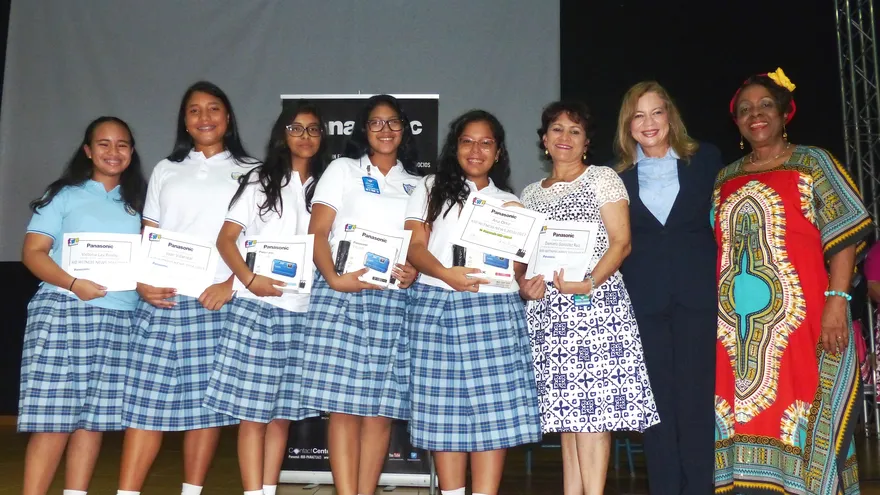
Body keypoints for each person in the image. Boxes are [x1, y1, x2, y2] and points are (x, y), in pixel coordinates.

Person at [713, 68, 872, 494]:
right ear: (738, 125)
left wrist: (837, 300)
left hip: (801, 325)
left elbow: (845, 232)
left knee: (805, 419)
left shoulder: (813, 162)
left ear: (785, 113)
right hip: (737, 338)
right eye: (745, 110)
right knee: (742, 419)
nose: (755, 114)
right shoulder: (724, 178)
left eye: (766, 105)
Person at [118, 81, 259, 495]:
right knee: (145, 404)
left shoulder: (253, 169)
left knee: (205, 408)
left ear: (228, 117)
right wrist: (141, 280)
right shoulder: (166, 169)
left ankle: (191, 490)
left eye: (213, 109)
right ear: (185, 119)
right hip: (163, 299)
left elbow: (260, 237)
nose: (204, 117)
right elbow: (151, 230)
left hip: (216, 300)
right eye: (194, 110)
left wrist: (231, 283)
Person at [520, 101, 659, 495]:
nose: (565, 138)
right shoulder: (530, 194)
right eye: (557, 130)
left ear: (586, 142)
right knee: (567, 416)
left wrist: (588, 282)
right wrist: (525, 283)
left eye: (575, 131)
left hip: (595, 308)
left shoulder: (602, 179)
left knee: (593, 417)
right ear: (544, 140)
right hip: (548, 315)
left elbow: (621, 243)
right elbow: (525, 260)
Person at [404, 110, 541, 495]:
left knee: (492, 416)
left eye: (486, 142)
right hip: (437, 303)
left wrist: (525, 270)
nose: (476, 150)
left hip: (494, 311)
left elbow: (517, 268)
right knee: (442, 413)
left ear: (498, 152)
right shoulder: (430, 187)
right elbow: (415, 246)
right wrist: (446, 273)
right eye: (467, 141)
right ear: (455, 146)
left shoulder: (511, 203)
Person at [204, 100, 329, 495]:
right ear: (282, 135)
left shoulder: (329, 186)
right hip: (258, 308)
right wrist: (247, 278)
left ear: (322, 137)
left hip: (305, 311)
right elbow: (226, 239)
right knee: (252, 416)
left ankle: (269, 489)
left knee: (281, 417)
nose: (304, 136)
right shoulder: (261, 180)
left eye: (312, 129)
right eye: (296, 129)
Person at [19, 117, 146, 495]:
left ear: (132, 152)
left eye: (122, 144)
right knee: (53, 421)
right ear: (88, 151)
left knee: (94, 422)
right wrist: (74, 283)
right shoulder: (64, 195)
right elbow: (33, 253)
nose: (113, 151)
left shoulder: (140, 204)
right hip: (63, 311)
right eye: (103, 144)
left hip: (120, 318)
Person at [303, 94, 420, 495]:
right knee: (342, 408)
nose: (385, 130)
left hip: (392, 300)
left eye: (393, 122)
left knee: (380, 412)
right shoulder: (343, 169)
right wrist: (334, 279)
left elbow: (420, 245)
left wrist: (413, 270)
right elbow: (317, 232)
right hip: (342, 293)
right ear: (364, 130)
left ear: (404, 129)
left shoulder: (418, 183)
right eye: (376, 122)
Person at [614, 81, 723, 495]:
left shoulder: (706, 159)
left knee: (696, 403)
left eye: (656, 112)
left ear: (670, 116)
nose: (649, 122)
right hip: (643, 303)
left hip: (698, 299)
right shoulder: (616, 175)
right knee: (655, 407)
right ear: (628, 125)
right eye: (638, 115)